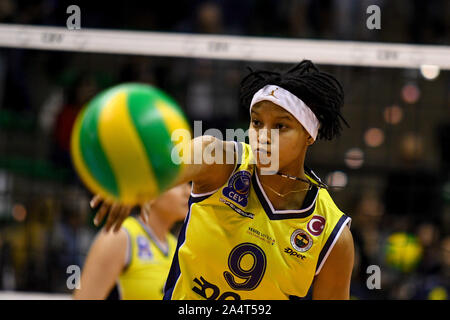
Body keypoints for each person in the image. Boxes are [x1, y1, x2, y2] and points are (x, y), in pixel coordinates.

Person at [91, 60, 355, 300]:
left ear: (308, 135)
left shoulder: (332, 234)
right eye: (257, 123)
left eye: (280, 126)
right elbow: (176, 160)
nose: (263, 136)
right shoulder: (223, 162)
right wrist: (134, 183)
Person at [73, 183, 190, 300]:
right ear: (150, 194)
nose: (188, 192)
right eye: (178, 184)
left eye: (189, 185)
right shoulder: (119, 236)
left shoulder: (177, 245)